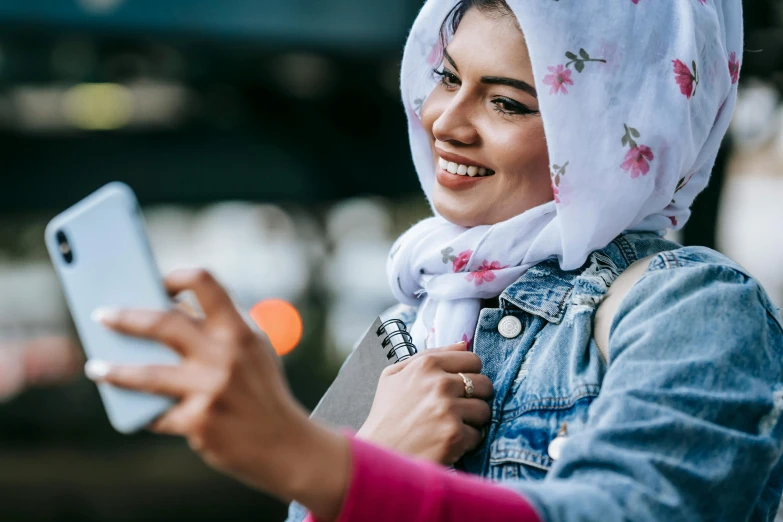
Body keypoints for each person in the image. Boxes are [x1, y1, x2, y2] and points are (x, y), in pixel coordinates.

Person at [83, 1, 783, 521]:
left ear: (618, 131)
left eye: (506, 102)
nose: (444, 119)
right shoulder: (414, 316)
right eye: (447, 77)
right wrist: (372, 454)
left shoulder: (693, 307)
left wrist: (313, 457)